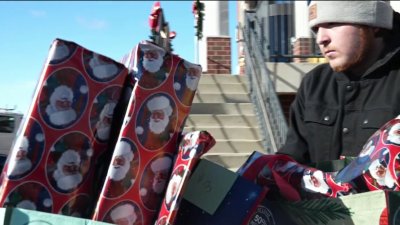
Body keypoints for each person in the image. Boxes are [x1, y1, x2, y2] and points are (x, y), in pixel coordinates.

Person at [278, 1, 400, 164]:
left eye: (332, 24)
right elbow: (294, 157)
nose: (321, 39)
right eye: (316, 29)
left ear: (374, 24)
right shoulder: (314, 84)